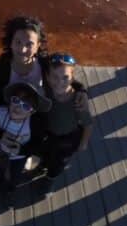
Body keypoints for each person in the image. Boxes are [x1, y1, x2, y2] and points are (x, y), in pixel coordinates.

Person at [0, 82, 50, 196]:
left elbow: (36, 145)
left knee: (15, 175)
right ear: (10, 100)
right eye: (16, 100)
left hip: (19, 157)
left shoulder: (35, 125)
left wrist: (21, 151)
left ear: (32, 111)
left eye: (26, 106)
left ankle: (10, 190)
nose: (18, 107)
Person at [37, 52, 94, 195]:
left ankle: (50, 180)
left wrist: (84, 143)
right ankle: (43, 165)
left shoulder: (78, 100)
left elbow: (88, 123)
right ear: (48, 78)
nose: (60, 82)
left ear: (72, 77)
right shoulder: (47, 92)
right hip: (49, 135)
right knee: (46, 154)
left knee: (58, 164)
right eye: (55, 77)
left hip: (68, 139)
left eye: (65, 77)